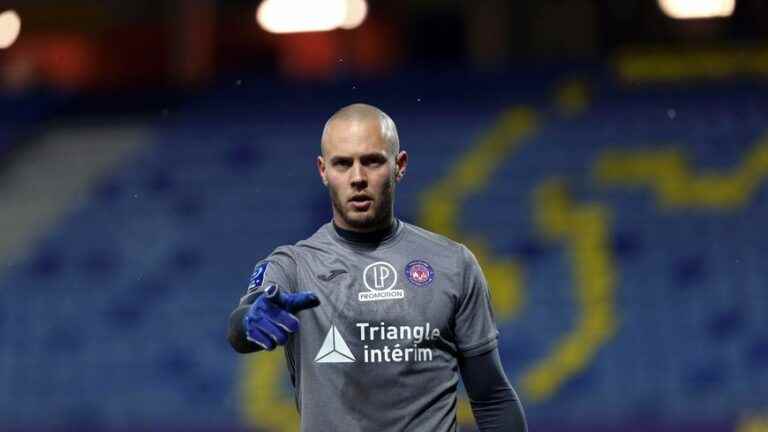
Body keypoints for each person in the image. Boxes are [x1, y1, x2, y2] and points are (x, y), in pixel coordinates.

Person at [228, 103, 527, 431]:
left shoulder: (453, 264)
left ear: (399, 165)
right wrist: (251, 319)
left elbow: (492, 396)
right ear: (322, 170)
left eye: (372, 161)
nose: (357, 178)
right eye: (343, 164)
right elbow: (242, 325)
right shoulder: (293, 266)